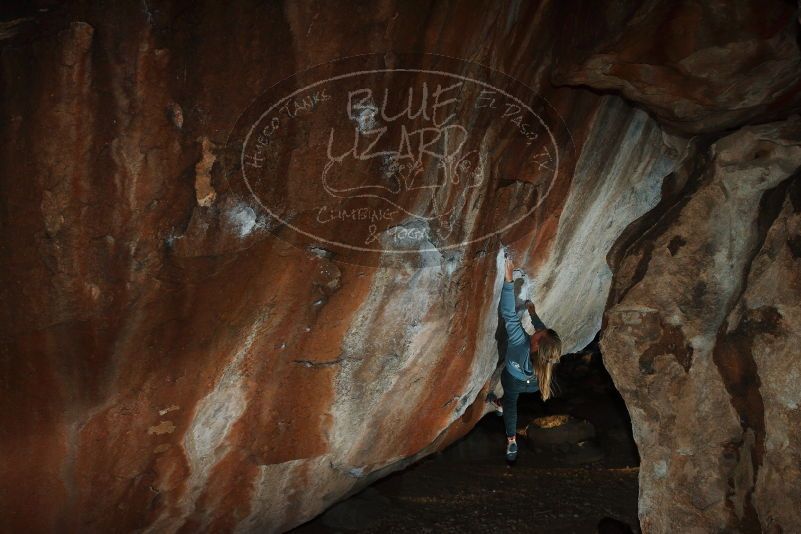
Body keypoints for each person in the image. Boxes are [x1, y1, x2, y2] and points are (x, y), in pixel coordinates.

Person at [490, 254, 562, 462]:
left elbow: (508, 313)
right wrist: (532, 312)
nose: (537, 331)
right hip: (534, 384)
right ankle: (508, 428)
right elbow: (542, 331)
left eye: (538, 335)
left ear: (536, 345)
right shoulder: (549, 353)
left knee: (511, 402)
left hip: (512, 379)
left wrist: (508, 277)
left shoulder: (520, 342)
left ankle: (510, 432)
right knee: (511, 402)